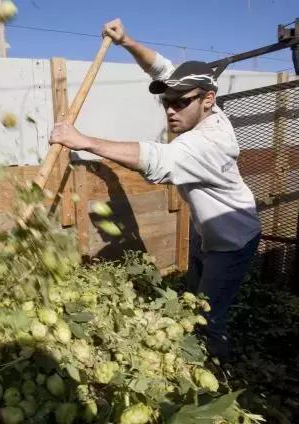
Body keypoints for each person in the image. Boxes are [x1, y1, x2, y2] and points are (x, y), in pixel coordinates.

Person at [49, 18, 261, 363]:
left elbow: (156, 159)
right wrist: (126, 41)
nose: (171, 110)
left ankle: (217, 379)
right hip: (207, 229)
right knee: (194, 296)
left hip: (232, 240)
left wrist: (82, 141)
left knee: (208, 317)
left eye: (180, 103)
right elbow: (161, 69)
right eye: (167, 102)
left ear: (208, 100)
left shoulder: (209, 142)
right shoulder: (204, 104)